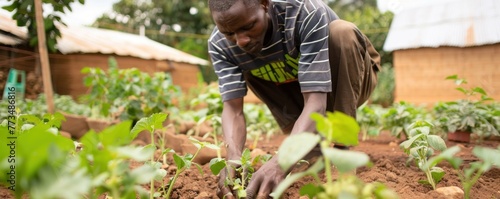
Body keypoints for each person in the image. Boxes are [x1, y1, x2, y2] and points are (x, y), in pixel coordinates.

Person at [207, 0, 380, 198]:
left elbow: (316, 101)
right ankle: (311, 147)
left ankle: (342, 150)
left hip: (349, 79)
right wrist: (234, 158)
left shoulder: (304, 12)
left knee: (343, 32)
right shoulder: (219, 44)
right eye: (229, 33)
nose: (241, 40)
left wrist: (282, 161)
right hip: (295, 86)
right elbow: (233, 109)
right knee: (245, 59)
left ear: (264, 4)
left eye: (248, 26)